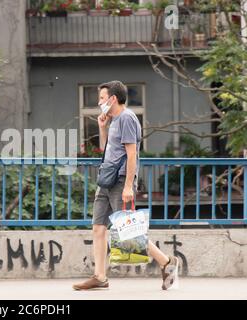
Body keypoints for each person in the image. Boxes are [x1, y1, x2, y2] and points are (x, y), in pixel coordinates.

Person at [73, 81, 179, 291]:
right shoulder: (114, 120)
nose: (99, 102)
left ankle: (167, 262)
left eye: (102, 98)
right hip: (106, 180)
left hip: (120, 181)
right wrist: (103, 128)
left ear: (113, 98)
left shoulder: (128, 118)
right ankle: (100, 277)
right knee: (98, 228)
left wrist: (128, 186)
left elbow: (132, 154)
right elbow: (108, 149)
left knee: (127, 230)